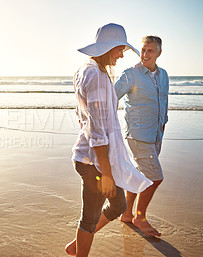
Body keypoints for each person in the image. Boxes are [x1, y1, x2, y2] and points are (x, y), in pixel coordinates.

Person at [65, 23, 153, 257]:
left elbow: (88, 117)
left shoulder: (93, 71)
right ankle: (80, 248)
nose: (122, 54)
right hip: (93, 160)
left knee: (119, 205)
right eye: (119, 49)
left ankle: (77, 244)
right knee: (90, 216)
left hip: (98, 156)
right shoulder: (93, 74)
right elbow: (95, 127)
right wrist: (105, 172)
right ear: (108, 47)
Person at [115, 36, 169, 237]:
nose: (145, 55)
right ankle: (140, 217)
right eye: (143, 50)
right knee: (155, 178)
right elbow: (112, 97)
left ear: (159, 53)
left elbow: (163, 101)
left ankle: (127, 214)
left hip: (156, 135)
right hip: (138, 136)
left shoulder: (163, 75)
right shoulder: (131, 74)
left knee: (142, 175)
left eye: (150, 51)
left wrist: (163, 124)